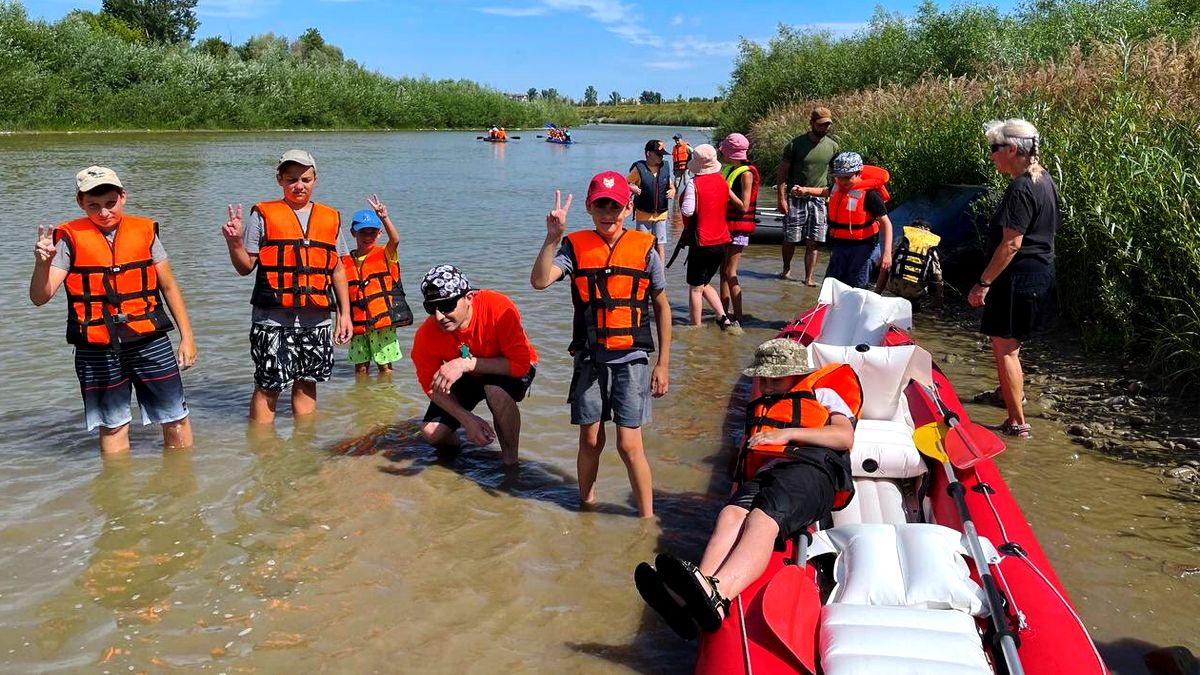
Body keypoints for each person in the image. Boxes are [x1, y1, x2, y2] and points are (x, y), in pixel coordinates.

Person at [634, 338, 860, 638]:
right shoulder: (765, 401)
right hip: (771, 469)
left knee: (762, 518)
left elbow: (844, 437)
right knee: (730, 514)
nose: (764, 384)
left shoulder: (824, 389)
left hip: (812, 468)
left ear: (793, 373)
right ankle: (697, 594)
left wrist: (787, 435)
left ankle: (719, 593)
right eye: (761, 378)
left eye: (771, 377)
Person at [530, 172, 672, 518]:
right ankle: (587, 508)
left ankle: (646, 518)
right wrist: (552, 239)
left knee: (628, 444)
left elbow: (662, 306)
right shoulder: (573, 248)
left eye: (615, 205)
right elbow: (539, 282)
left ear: (628, 207)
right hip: (590, 358)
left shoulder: (645, 249)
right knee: (591, 440)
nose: (608, 213)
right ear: (589, 208)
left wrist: (663, 363)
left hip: (632, 359)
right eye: (600, 205)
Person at [29, 166, 197, 455]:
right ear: (80, 202)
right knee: (113, 425)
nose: (104, 212)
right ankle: (119, 493)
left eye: (110, 203)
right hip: (95, 346)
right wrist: (42, 264)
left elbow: (169, 287)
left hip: (149, 340)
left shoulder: (145, 232)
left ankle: (180, 488)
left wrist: (187, 336)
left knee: (175, 419)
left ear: (123, 197)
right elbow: (39, 298)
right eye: (93, 205)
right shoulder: (68, 239)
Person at [222, 149, 353, 424]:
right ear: (279, 179)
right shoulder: (263, 214)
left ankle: (302, 451)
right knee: (269, 385)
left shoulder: (330, 217)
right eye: (291, 179)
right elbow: (246, 267)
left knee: (308, 382)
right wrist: (234, 242)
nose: (299, 186)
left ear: (315, 179)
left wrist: (345, 314)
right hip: (272, 319)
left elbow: (337, 268)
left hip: (316, 318)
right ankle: (264, 452)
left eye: (305, 179)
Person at [968, 118, 1060, 439]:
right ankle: (1008, 393)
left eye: (995, 149)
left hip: (1017, 278)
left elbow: (1011, 243)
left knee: (1004, 348)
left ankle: (1016, 421)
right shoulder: (1045, 180)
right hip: (1039, 275)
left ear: (1011, 149)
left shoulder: (1021, 188)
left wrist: (983, 283)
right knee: (1012, 346)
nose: (992, 156)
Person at [411, 265, 538, 466]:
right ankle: (460, 455)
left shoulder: (498, 307)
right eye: (431, 308)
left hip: (507, 366)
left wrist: (464, 363)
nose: (439, 317)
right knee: (431, 432)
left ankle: (511, 463)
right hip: (469, 375)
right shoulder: (425, 335)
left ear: (469, 297)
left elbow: (521, 365)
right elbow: (430, 385)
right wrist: (466, 419)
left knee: (495, 391)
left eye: (446, 306)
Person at [344, 195, 413, 376]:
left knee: (385, 367)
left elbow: (395, 240)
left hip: (382, 321)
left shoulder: (385, 253)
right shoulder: (344, 261)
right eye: (363, 232)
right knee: (361, 368)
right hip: (358, 322)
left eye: (372, 232)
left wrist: (384, 217)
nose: (368, 236)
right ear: (353, 233)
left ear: (379, 233)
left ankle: (386, 401)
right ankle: (363, 400)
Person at [777, 107, 839, 285]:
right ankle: (786, 269)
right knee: (791, 238)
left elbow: (835, 175)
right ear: (811, 123)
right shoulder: (795, 145)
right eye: (821, 125)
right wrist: (781, 199)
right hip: (795, 198)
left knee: (815, 240)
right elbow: (782, 173)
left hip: (819, 199)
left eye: (827, 125)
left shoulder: (833, 146)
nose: (824, 128)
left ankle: (808, 278)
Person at [679, 144, 736, 328]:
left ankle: (695, 329)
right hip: (722, 241)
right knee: (704, 283)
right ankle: (723, 318)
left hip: (702, 241)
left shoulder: (693, 183)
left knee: (695, 288)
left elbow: (687, 211)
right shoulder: (722, 182)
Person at [825, 151, 893, 289]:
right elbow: (825, 191)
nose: (842, 181)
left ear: (858, 173)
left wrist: (887, 254)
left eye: (847, 177)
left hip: (863, 246)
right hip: (840, 245)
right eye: (838, 177)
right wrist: (805, 190)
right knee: (831, 284)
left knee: (857, 287)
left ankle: (856, 309)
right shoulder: (839, 188)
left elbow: (886, 224)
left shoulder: (871, 195)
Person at [718, 133, 759, 324]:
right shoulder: (730, 170)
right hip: (726, 227)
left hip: (738, 229)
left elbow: (744, 205)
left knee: (730, 272)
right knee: (722, 272)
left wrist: (725, 190)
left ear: (732, 154)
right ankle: (723, 313)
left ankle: (739, 316)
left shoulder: (746, 174)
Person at [627, 139, 676, 263]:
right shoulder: (639, 169)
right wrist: (632, 187)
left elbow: (671, 186)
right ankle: (642, 272)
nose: (661, 157)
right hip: (643, 214)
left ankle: (661, 276)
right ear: (648, 153)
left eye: (662, 154)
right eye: (658, 154)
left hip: (661, 214)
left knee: (660, 245)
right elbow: (625, 183)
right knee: (643, 245)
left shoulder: (664, 167)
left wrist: (673, 191)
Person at [884, 218, 944, 310]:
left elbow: (888, 264)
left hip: (894, 287)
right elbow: (938, 276)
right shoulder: (931, 247)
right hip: (915, 292)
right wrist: (939, 301)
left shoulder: (901, 241)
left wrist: (878, 291)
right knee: (912, 310)